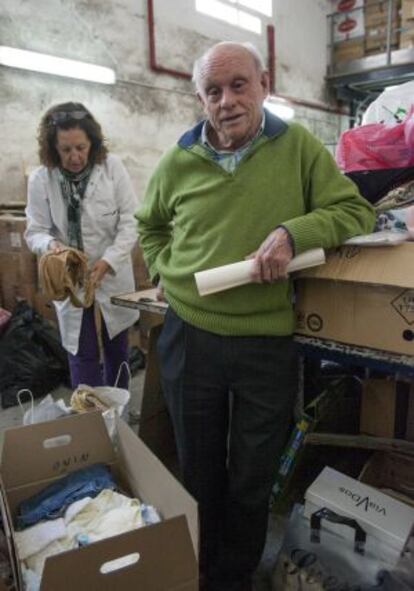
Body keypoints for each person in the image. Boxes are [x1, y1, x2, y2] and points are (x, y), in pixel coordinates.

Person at [136, 42, 376, 591]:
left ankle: (234, 575)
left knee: (251, 475)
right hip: (189, 334)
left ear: (264, 85)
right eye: (212, 92)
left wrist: (295, 233)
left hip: (265, 340)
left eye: (239, 85)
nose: (227, 101)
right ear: (200, 99)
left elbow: (355, 208)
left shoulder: (298, 149)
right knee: (197, 466)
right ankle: (199, 568)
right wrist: (164, 274)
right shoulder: (178, 160)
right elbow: (149, 225)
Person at [25, 102, 139, 389]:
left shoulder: (111, 168)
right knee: (81, 351)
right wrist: (53, 247)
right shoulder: (42, 178)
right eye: (65, 150)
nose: (75, 156)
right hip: (71, 276)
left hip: (111, 273)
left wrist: (109, 261)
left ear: (92, 143)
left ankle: (118, 416)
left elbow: (131, 221)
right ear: (53, 149)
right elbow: (35, 231)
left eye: (81, 147)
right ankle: (88, 420)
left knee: (117, 349)